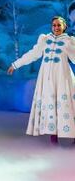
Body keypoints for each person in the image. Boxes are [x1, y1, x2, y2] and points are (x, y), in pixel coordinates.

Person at [7, 16, 75, 144]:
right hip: (47, 80)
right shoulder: (45, 40)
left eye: (59, 25)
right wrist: (15, 65)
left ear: (64, 26)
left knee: (66, 105)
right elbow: (32, 54)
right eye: (54, 25)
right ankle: (53, 136)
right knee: (51, 105)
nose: (56, 28)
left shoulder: (68, 42)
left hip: (63, 79)